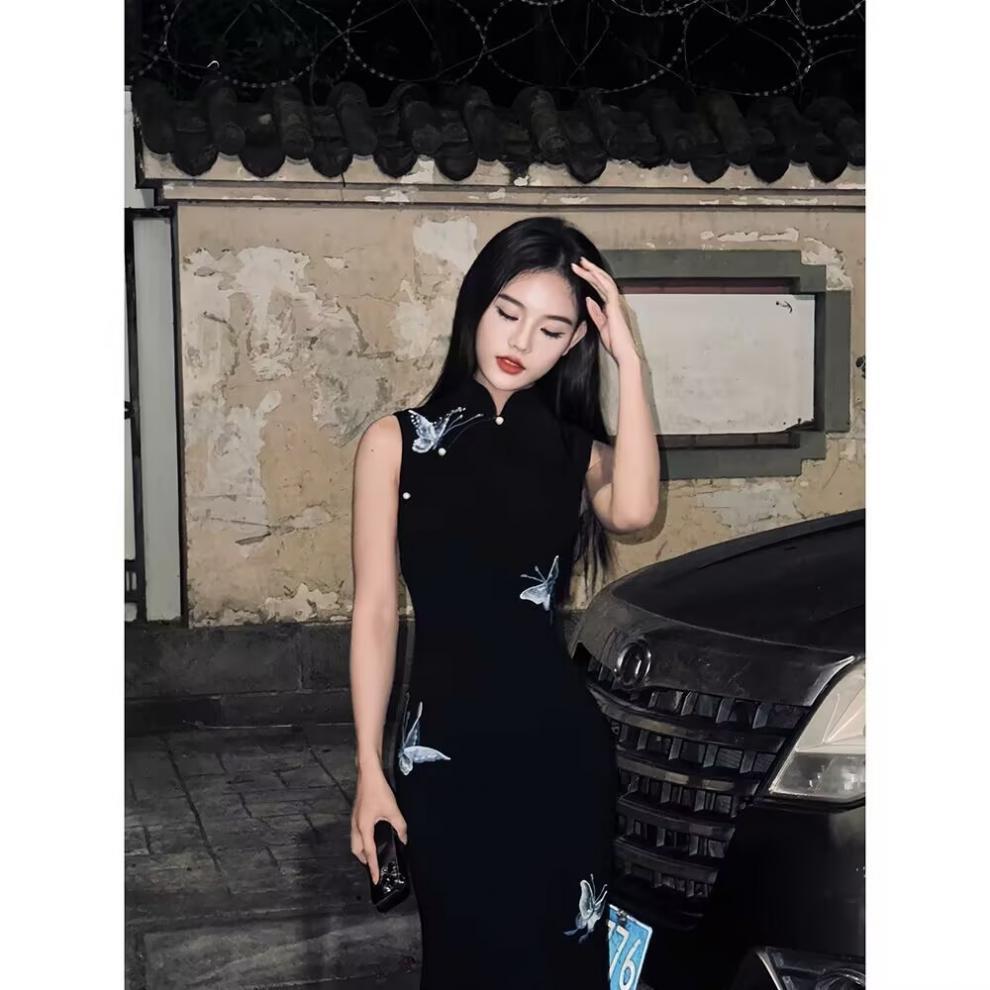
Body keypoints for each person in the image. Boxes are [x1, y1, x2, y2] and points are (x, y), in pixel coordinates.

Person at [348, 216, 661, 989]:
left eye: (552, 329)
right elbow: (377, 612)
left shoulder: (575, 449)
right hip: (445, 755)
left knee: (566, 965)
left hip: (560, 753)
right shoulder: (396, 441)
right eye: (508, 312)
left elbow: (636, 510)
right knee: (466, 960)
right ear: (476, 305)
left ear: (575, 342)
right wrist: (368, 768)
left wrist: (629, 358)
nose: (522, 340)